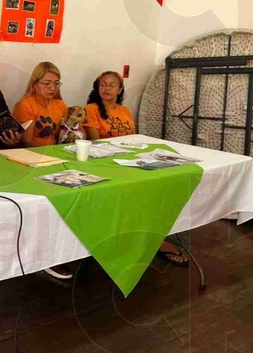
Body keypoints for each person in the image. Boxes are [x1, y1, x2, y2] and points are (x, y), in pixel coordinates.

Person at [84, 71, 188, 265]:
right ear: (97, 87)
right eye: (103, 84)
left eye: (112, 84)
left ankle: (151, 236)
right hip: (105, 164)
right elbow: (95, 141)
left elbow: (134, 139)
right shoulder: (91, 109)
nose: (107, 88)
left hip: (130, 161)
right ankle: (145, 240)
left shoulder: (124, 110)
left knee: (155, 190)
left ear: (120, 89)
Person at [13, 62, 68, 147]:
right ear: (34, 84)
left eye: (56, 83)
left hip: (55, 150)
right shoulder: (26, 105)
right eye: (47, 83)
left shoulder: (60, 104)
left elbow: (74, 130)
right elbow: (27, 142)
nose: (52, 88)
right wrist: (50, 153)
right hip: (32, 153)